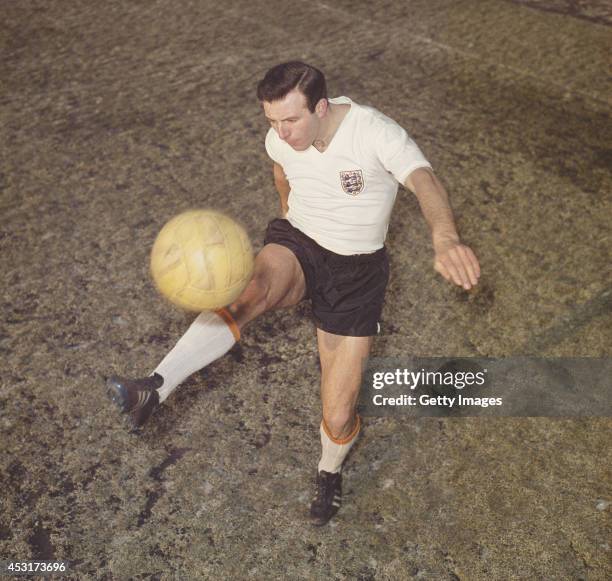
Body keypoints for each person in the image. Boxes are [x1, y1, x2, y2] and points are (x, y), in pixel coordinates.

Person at [107, 61, 481, 526]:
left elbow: (425, 181)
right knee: (250, 291)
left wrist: (445, 239)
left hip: (357, 272)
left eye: (291, 120)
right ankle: (155, 388)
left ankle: (329, 472)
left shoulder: (375, 131)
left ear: (321, 107)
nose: (281, 133)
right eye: (271, 121)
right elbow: (281, 171)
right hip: (300, 242)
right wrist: (287, 211)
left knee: (339, 412)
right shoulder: (278, 140)